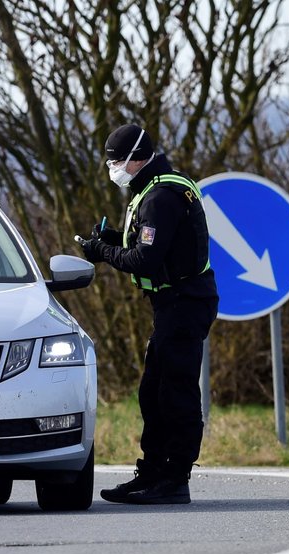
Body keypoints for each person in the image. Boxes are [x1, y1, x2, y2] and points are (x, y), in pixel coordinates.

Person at [77, 123, 218, 504]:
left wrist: (102, 254)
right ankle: (153, 471)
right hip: (175, 304)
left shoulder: (160, 197)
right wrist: (110, 240)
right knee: (152, 393)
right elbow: (152, 244)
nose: (113, 170)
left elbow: (146, 258)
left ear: (137, 159)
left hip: (184, 304)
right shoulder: (155, 188)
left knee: (175, 392)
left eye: (116, 162)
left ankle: (174, 478)